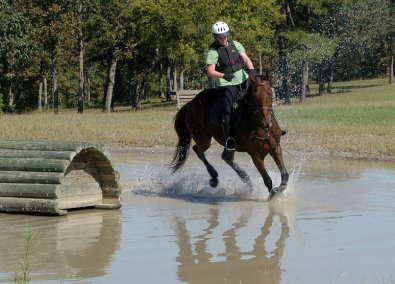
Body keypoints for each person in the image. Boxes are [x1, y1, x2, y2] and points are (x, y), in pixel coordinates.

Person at [206, 21, 257, 152]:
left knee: (261, 97)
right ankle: (229, 139)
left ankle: (273, 128)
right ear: (215, 37)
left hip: (243, 79)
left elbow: (246, 59)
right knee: (228, 110)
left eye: (224, 36)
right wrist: (223, 76)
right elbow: (210, 71)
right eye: (219, 37)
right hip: (227, 84)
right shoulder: (213, 51)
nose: (223, 39)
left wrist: (252, 71)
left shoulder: (236, 44)